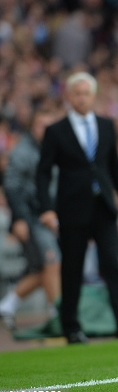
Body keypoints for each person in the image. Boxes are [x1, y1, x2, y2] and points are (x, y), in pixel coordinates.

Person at [36, 72, 118, 344]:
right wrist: (47, 209)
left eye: (86, 93)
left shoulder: (107, 125)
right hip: (72, 208)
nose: (82, 98)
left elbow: (114, 168)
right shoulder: (56, 130)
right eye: (77, 93)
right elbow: (43, 173)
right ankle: (71, 327)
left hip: (104, 207)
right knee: (72, 268)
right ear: (69, 96)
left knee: (112, 263)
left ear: (93, 96)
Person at [0, 109, 61, 331]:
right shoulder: (22, 152)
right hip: (32, 217)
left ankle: (7, 305)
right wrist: (19, 219)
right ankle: (58, 313)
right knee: (52, 261)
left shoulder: (53, 148)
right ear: (32, 127)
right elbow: (12, 187)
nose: (45, 131)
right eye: (40, 125)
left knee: (42, 268)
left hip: (50, 216)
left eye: (49, 126)